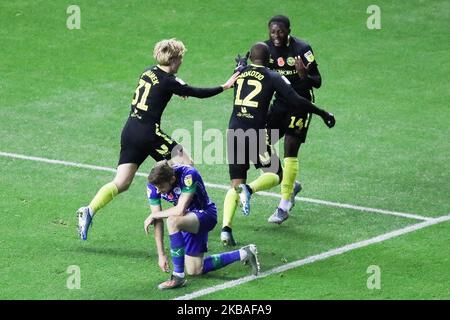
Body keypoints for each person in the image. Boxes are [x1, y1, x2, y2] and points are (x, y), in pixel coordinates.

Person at [77, 38, 239, 240]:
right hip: (149, 134)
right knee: (187, 165)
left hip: (130, 130)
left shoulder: (148, 71)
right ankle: (186, 214)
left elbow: (160, 89)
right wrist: (225, 86)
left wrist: (175, 91)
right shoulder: (169, 81)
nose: (181, 62)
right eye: (180, 59)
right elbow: (196, 92)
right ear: (173, 59)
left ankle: (89, 210)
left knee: (122, 182)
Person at [221, 42, 335, 245]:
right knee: (276, 175)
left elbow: (238, 69)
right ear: (269, 60)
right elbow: (297, 100)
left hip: (234, 132)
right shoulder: (273, 76)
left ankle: (226, 229)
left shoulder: (240, 72)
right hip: (255, 134)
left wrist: (240, 64)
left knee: (234, 186)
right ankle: (250, 189)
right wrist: (322, 112)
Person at [144, 161, 260, 289]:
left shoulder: (188, 175)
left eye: (161, 187)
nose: (158, 191)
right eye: (156, 188)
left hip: (205, 214)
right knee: (194, 270)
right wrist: (161, 254)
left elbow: (179, 209)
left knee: (172, 221)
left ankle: (178, 277)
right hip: (187, 220)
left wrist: (154, 215)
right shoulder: (154, 184)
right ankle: (244, 253)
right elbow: (157, 218)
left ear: (172, 179)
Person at [263, 15, 324, 224]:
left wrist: (304, 75)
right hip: (279, 104)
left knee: (290, 147)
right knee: (259, 145)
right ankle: (290, 182)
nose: (276, 36)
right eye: (272, 32)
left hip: (300, 103)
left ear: (288, 30)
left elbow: (318, 81)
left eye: (280, 31)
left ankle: (284, 204)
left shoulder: (302, 49)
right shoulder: (265, 49)